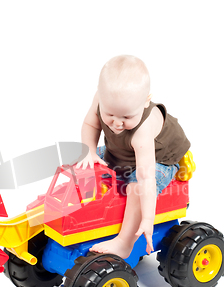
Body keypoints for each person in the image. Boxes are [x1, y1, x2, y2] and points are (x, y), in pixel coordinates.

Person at [76, 55, 190, 258]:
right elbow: (90, 125)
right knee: (82, 164)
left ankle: (124, 242)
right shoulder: (102, 100)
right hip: (119, 152)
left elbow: (146, 179)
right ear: (100, 96)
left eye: (126, 117)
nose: (117, 124)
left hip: (158, 158)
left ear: (146, 102)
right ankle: (83, 214)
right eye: (109, 114)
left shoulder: (143, 131)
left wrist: (148, 219)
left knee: (135, 187)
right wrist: (90, 152)